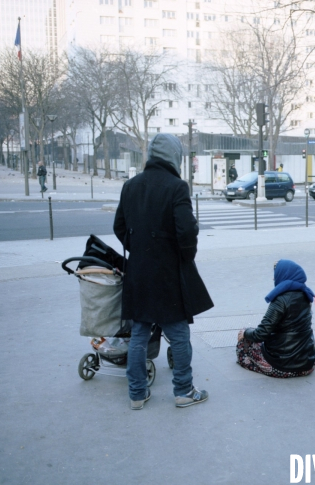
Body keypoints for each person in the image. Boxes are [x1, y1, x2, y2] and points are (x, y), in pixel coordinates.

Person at [114, 133, 214, 410]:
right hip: (169, 272)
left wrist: (139, 247)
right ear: (175, 156)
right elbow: (187, 230)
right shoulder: (176, 186)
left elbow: (119, 227)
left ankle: (136, 394)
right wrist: (184, 256)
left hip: (139, 272)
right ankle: (183, 391)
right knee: (179, 334)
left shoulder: (131, 186)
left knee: (139, 334)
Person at [236, 259, 315, 378]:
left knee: (243, 341)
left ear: (283, 275)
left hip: (282, 364)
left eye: (276, 275)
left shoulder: (280, 300)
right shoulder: (306, 295)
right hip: (307, 364)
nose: (274, 279)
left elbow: (261, 334)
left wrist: (245, 332)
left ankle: (261, 365)